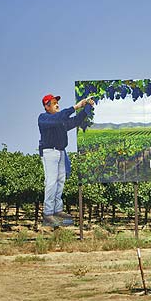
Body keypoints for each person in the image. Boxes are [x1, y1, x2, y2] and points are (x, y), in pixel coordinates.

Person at [38, 94, 94, 227]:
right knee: (51, 181)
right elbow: (60, 117)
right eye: (53, 103)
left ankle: (57, 211)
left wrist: (86, 108)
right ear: (47, 106)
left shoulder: (59, 120)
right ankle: (47, 214)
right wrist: (76, 106)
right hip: (50, 152)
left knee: (60, 181)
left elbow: (75, 121)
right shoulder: (44, 118)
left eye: (57, 102)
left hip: (61, 152)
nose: (57, 104)